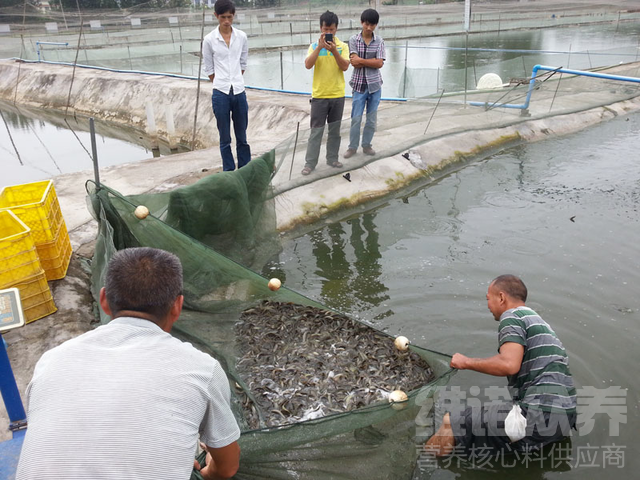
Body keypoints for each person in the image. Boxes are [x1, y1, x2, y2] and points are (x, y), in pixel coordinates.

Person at [16, 247, 241, 480]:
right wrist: (206, 470)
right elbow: (226, 468)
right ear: (177, 305)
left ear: (103, 299)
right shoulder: (203, 370)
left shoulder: (51, 361)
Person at [426, 274, 577, 456]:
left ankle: (425, 462)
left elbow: (509, 364)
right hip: (564, 418)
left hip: (538, 413)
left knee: (452, 422)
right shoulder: (539, 322)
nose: (488, 306)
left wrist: (465, 362)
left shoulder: (512, 316)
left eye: (488, 299)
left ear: (502, 297)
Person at [202, 0, 251, 172]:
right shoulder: (209, 40)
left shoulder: (241, 37)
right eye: (223, 17)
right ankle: (229, 172)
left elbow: (243, 63)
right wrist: (221, 82)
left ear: (234, 15)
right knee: (224, 138)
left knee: (242, 136)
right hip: (220, 93)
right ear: (216, 16)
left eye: (229, 17)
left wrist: (234, 79)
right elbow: (209, 68)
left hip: (239, 91)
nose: (227, 21)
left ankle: (245, 170)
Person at [301, 10, 350, 176]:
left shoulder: (343, 46)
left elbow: (344, 66)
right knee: (316, 131)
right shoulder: (314, 46)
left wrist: (334, 51)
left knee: (334, 131)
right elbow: (308, 65)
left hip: (337, 95)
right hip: (319, 96)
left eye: (331, 30)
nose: (328, 33)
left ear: (336, 29)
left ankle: (332, 158)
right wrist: (320, 48)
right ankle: (310, 164)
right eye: (325, 29)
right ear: (320, 28)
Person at [344, 9, 386, 159]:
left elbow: (380, 63)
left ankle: (367, 145)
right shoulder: (354, 40)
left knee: (371, 118)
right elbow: (354, 62)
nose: (369, 28)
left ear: (376, 25)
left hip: (375, 85)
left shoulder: (379, 41)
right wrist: (371, 61)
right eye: (367, 24)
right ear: (362, 22)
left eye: (372, 25)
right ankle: (352, 147)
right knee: (356, 118)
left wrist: (362, 60)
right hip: (358, 85)